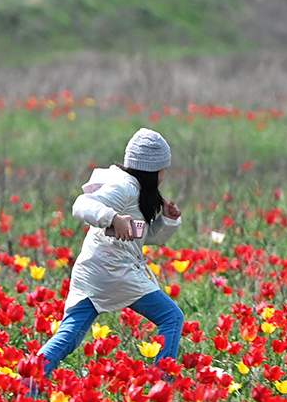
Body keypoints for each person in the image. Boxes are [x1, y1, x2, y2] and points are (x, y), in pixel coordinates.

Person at [38, 127, 183, 378]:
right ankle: (163, 382)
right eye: (163, 170)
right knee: (172, 318)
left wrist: (167, 221)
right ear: (152, 169)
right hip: (114, 270)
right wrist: (112, 218)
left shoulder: (136, 190)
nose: (164, 176)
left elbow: (141, 236)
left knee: (69, 336)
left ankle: (29, 382)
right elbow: (81, 205)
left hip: (93, 271)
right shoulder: (124, 188)